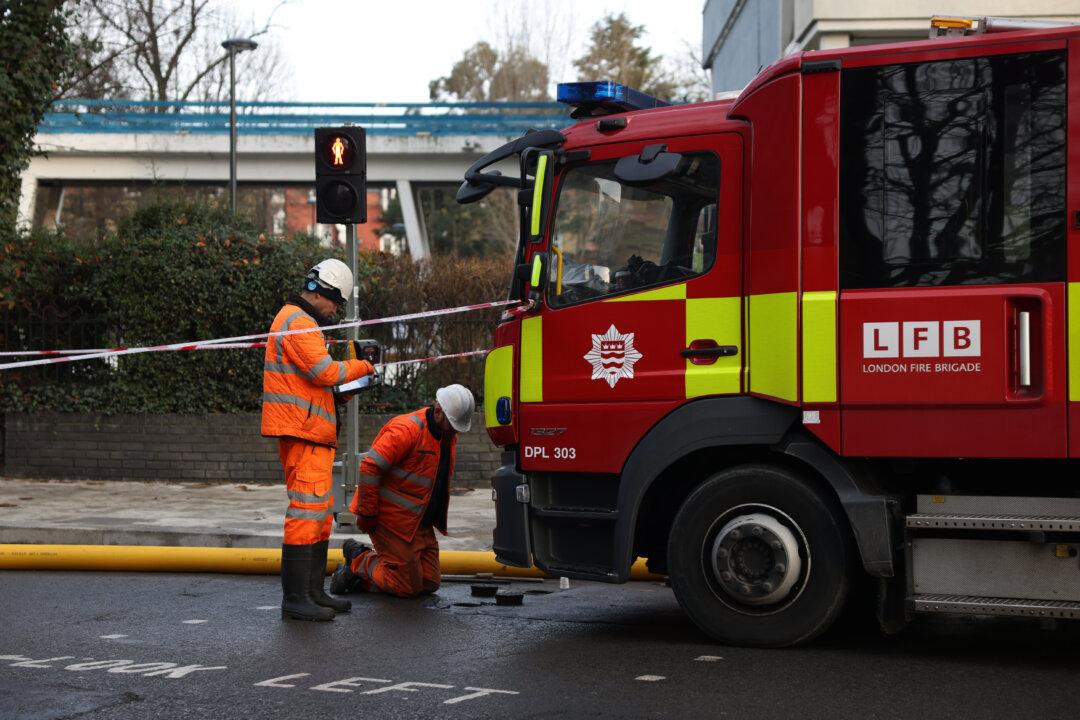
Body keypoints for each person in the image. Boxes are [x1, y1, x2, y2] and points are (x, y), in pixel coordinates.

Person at [262, 258, 376, 622]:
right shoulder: (297, 321)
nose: (336, 311)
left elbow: (317, 384)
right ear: (321, 291)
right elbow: (324, 372)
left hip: (312, 434)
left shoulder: (303, 323)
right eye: (336, 303)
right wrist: (363, 365)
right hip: (303, 434)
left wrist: (345, 390)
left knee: (318, 517)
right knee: (305, 514)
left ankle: (312, 592)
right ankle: (297, 598)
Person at [329, 384, 475, 598]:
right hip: (391, 521)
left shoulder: (446, 436)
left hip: (417, 523)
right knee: (406, 587)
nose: (454, 432)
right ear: (438, 411)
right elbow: (370, 466)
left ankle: (367, 571)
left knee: (429, 582)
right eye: (452, 425)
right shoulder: (407, 430)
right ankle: (359, 563)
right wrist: (367, 513)